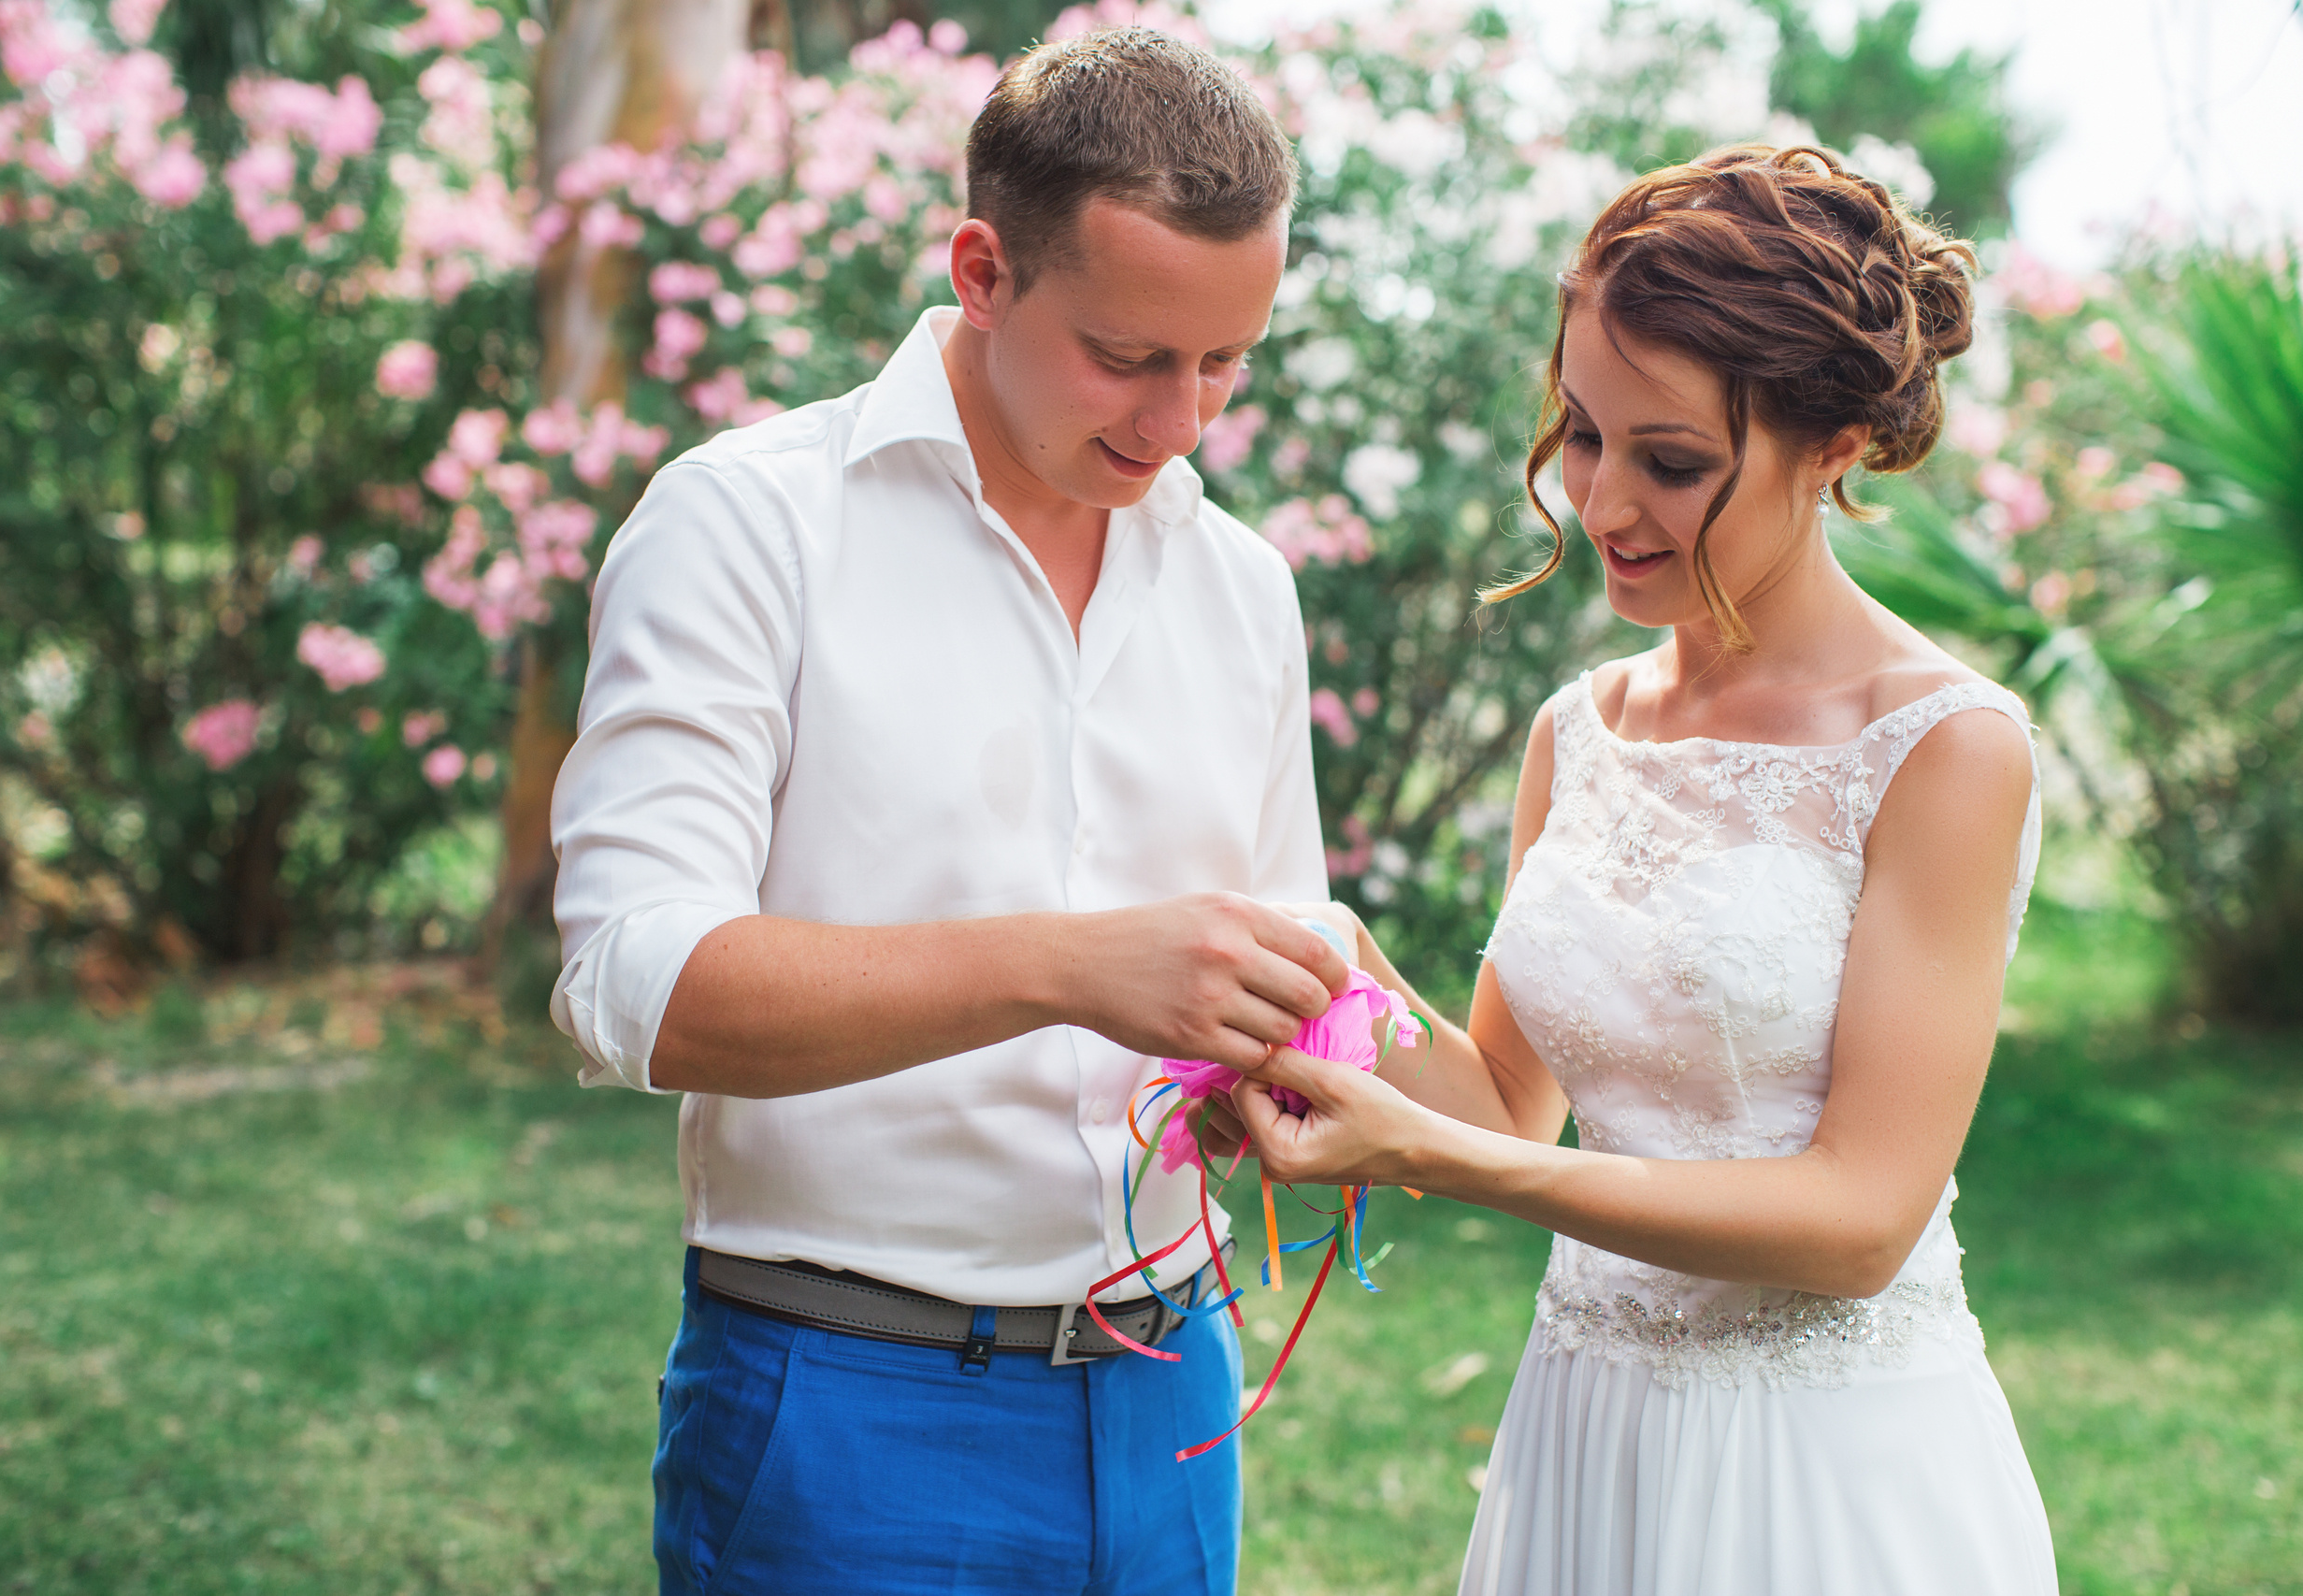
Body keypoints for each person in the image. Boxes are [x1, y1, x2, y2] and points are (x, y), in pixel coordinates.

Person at [546, 27, 1346, 1596]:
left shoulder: (1242, 587)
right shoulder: (745, 527)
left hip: (1172, 1393)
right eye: (1129, 354)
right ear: (983, 270)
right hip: (842, 1402)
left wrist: (1282, 1070)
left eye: (1224, 362)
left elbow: (1262, 961)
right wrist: (1066, 964)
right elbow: (632, 988)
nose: (1181, 421)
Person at [1205, 146, 2061, 1594]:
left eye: (1670, 462)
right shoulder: (1582, 732)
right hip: (1586, 1433)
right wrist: (1325, 965)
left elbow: (1860, 1222)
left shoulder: (1945, 752)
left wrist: (1429, 1156)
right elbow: (1505, 1103)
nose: (1599, 501)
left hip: (1825, 1466)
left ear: (1838, 445)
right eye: (1582, 431)